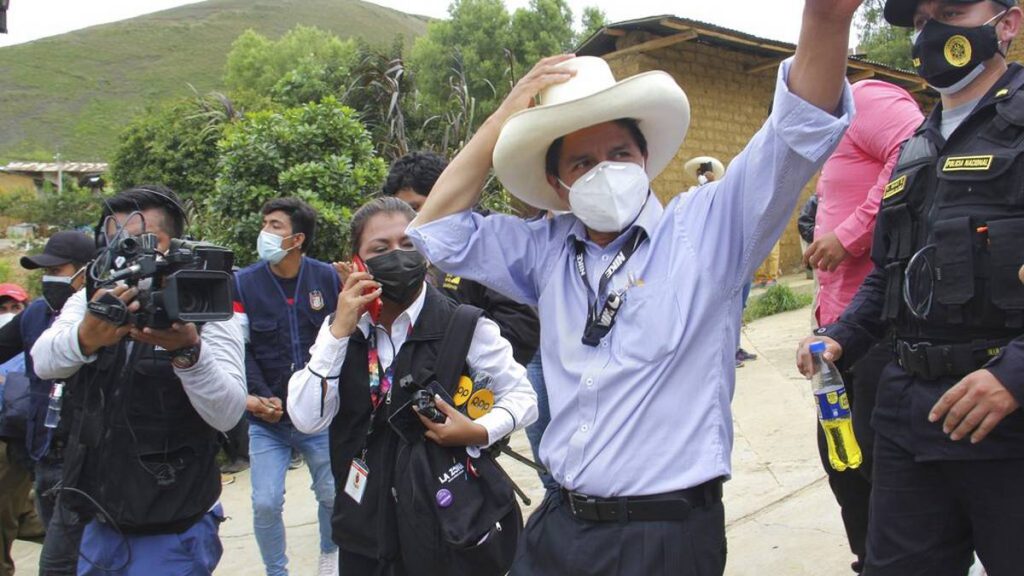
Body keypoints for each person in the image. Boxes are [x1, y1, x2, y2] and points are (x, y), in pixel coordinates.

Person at [406, 0, 860, 572]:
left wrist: (826, 18)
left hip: (663, 537)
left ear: (644, 157)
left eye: (619, 153)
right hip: (558, 526)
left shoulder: (707, 230)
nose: (606, 169)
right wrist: (502, 121)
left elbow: (796, 132)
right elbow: (436, 231)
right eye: (583, 162)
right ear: (558, 183)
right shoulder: (544, 249)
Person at [796, 1, 1024, 574]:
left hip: (1004, 419)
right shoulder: (915, 147)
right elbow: (889, 270)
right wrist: (841, 335)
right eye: (921, 21)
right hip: (907, 414)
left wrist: (1014, 375)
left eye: (951, 9)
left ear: (1009, 22)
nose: (931, 31)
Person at [287, 197, 537, 575]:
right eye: (380, 248)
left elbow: (522, 395)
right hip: (363, 530)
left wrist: (480, 429)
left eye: (408, 244)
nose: (397, 255)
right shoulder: (341, 331)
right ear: (357, 261)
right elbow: (307, 418)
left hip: (442, 527)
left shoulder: (463, 324)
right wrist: (339, 330)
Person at [31, 185, 247, 575]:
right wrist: (86, 338)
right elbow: (44, 361)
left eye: (142, 243)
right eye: (116, 245)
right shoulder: (94, 294)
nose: (127, 258)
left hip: (170, 526)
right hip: (93, 515)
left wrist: (189, 353)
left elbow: (229, 413)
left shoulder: (207, 299)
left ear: (175, 244)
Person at [800, 80, 922, 574]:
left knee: (881, 465)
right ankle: (869, 559)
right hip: (837, 332)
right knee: (842, 461)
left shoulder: (868, 98)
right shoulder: (830, 136)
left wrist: (851, 235)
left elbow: (915, 156)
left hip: (880, 325)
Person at [381, 151, 548, 485]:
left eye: (418, 208)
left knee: (554, 472)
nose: (412, 223)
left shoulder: (478, 242)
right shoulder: (402, 257)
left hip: (499, 383)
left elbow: (522, 322)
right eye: (404, 211)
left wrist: (466, 370)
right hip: (427, 406)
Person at [233, 197, 340, 576]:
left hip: (319, 417)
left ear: (296, 239)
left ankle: (330, 557)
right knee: (265, 501)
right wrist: (261, 395)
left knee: (330, 494)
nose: (264, 231)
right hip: (268, 420)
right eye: (264, 223)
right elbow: (239, 348)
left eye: (274, 225)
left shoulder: (327, 278)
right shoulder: (242, 284)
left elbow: (342, 340)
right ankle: (276, 571)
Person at [0, 231, 96, 575]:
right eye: (45, 269)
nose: (49, 277)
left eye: (58, 268)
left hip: (88, 456)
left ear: (86, 271)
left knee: (64, 561)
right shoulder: (36, 313)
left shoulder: (103, 316)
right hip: (43, 452)